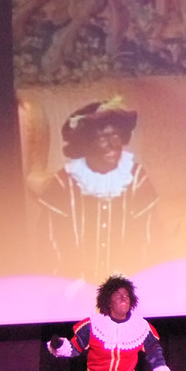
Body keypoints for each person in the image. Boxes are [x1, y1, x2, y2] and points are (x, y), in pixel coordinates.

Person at [37, 96, 159, 280]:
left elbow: (149, 239)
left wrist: (131, 280)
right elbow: (49, 242)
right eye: (102, 138)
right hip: (74, 285)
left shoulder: (136, 179)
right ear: (85, 143)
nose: (113, 145)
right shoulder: (64, 183)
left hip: (126, 283)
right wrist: (67, 284)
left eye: (116, 136)